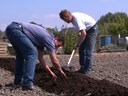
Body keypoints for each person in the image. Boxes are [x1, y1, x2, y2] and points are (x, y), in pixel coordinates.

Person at [5, 22, 67, 90]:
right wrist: (60, 70)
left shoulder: (42, 42)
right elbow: (54, 60)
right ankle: (27, 83)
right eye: (57, 45)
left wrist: (50, 72)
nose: (56, 47)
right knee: (32, 53)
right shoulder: (49, 38)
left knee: (20, 56)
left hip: (11, 29)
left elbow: (40, 58)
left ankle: (18, 82)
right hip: (17, 30)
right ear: (56, 39)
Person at [59, 9, 98, 74]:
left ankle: (88, 70)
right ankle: (82, 68)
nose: (66, 22)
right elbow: (82, 30)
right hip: (86, 29)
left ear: (68, 16)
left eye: (65, 20)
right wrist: (80, 32)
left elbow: (84, 34)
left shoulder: (76, 19)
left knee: (88, 51)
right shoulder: (72, 18)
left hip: (92, 29)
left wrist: (77, 44)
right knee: (82, 49)